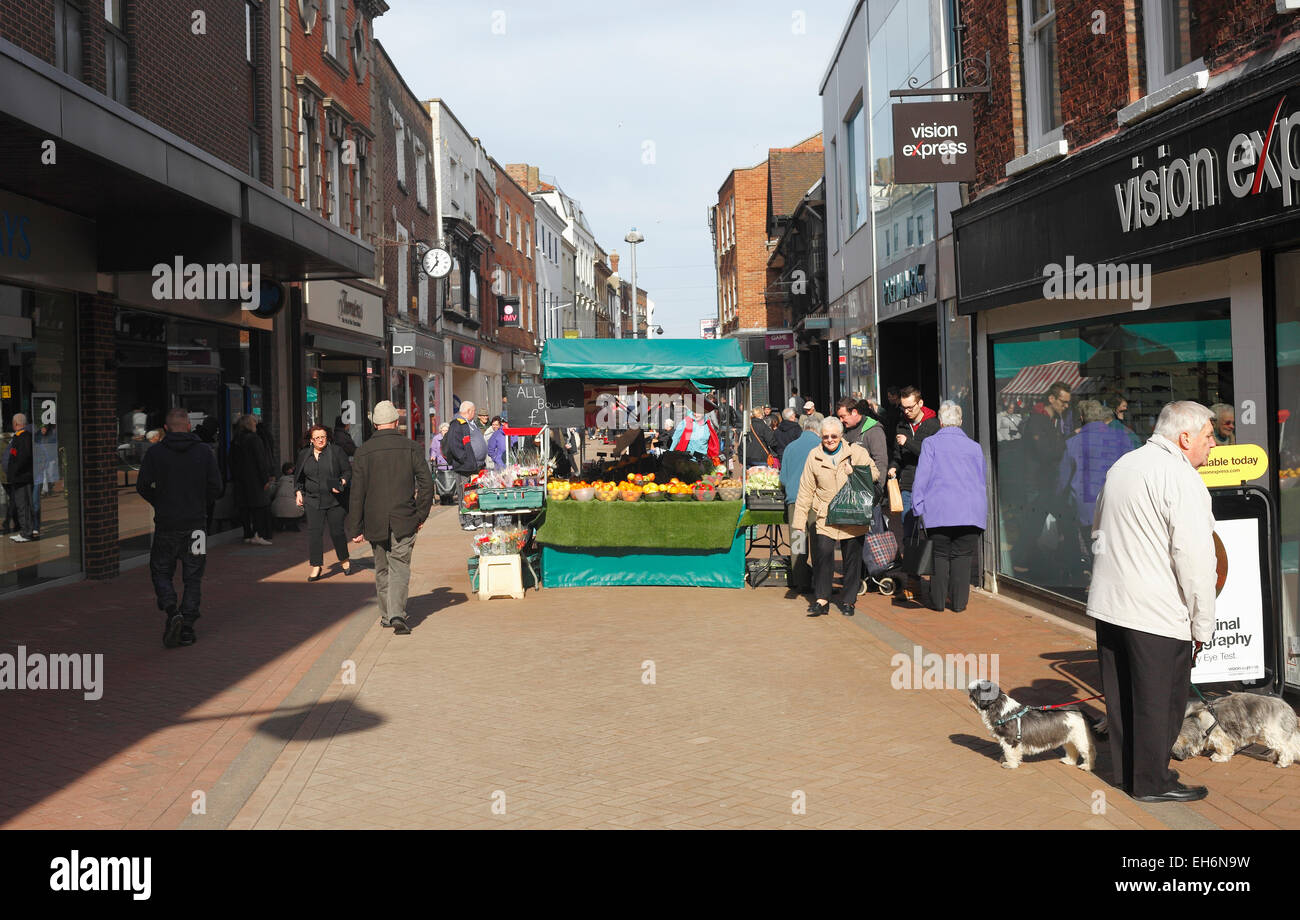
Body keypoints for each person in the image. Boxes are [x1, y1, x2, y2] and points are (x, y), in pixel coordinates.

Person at [1088, 401, 1218, 803]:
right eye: (1209, 436)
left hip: (1111, 604)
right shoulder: (1180, 477)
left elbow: (1097, 529)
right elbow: (1195, 558)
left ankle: (1133, 775)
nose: (1213, 444)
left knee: (1124, 696)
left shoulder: (1124, 465)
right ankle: (1152, 782)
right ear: (1185, 438)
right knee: (1159, 701)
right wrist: (1203, 624)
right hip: (1155, 611)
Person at [345, 400, 434, 635]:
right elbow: (427, 484)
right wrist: (421, 514)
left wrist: (355, 528)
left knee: (382, 566)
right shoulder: (411, 447)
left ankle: (387, 614)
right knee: (400, 566)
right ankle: (396, 614)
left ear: (375, 424)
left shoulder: (363, 451)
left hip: (374, 520)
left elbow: (357, 493)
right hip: (405, 517)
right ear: (396, 422)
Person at [136, 407, 222, 648]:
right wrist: (199, 503)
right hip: (196, 525)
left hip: (167, 524)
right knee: (194, 576)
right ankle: (187, 626)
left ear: (165, 428)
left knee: (161, 570)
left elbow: (142, 486)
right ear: (187, 426)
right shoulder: (204, 452)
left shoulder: (155, 453)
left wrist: (161, 501)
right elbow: (216, 487)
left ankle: (172, 609)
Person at [791, 416, 880, 617]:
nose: (830, 440)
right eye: (825, 437)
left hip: (853, 513)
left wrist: (855, 471)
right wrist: (799, 522)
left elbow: (875, 474)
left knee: (852, 559)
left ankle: (849, 600)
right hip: (825, 514)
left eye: (833, 436)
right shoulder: (813, 456)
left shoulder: (856, 452)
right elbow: (805, 490)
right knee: (822, 555)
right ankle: (822, 599)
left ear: (841, 436)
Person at [911, 401, 987, 613]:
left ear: (941, 423)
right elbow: (981, 481)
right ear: (961, 422)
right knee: (962, 557)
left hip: (938, 512)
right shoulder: (975, 447)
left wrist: (918, 508)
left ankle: (937, 603)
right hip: (970, 513)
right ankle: (959, 604)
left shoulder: (930, 444)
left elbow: (922, 478)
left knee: (940, 556)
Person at [1057, 399, 1136, 573]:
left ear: (1082, 417)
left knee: (1095, 554)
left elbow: (1062, 481)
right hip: (1120, 505)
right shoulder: (1122, 438)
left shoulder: (1073, 443)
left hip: (1087, 509)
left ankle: (1097, 581)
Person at [295, 424, 352, 581]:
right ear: (311, 440)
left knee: (337, 532)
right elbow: (299, 477)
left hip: (335, 500)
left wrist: (342, 481)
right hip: (313, 500)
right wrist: (298, 492)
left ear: (327, 438)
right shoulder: (304, 454)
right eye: (317, 438)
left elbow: (347, 471)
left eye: (323, 437)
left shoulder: (336, 451)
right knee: (314, 533)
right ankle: (316, 566)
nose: (320, 440)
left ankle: (344, 559)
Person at [780, 412, 823, 597]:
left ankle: (801, 581)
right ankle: (821, 582)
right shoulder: (820, 446)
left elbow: (782, 478)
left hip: (794, 501)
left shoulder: (790, 447)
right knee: (818, 541)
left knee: (798, 542)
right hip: (815, 500)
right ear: (818, 431)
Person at [230, 413, 274, 545]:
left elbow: (231, 461)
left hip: (240, 480)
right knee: (259, 507)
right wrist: (265, 478)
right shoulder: (254, 439)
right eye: (254, 423)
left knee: (244, 508)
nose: (256, 425)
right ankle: (258, 534)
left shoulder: (236, 440)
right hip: (255, 479)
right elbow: (260, 460)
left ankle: (247, 534)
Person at [836, 397, 889, 487]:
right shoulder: (843, 431)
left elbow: (881, 461)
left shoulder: (874, 430)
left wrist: (878, 488)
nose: (841, 420)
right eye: (839, 417)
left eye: (843, 416)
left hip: (868, 486)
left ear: (854, 412)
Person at [442, 400, 487, 501]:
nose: (474, 413)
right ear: (469, 411)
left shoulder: (470, 423)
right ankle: (466, 517)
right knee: (466, 498)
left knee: (474, 497)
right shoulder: (457, 424)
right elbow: (454, 446)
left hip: (475, 466)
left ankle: (473, 517)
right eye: (474, 411)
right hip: (465, 468)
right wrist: (466, 460)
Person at [5, 414, 34, 542]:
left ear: (16, 423)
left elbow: (23, 457)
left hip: (22, 477)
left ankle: (26, 533)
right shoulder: (19, 437)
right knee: (21, 505)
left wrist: (14, 471)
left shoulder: (24, 437)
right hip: (19, 477)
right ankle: (24, 531)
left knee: (24, 505)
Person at [271, 461, 304, 532]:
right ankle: (293, 524)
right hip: (295, 511)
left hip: (277, 511)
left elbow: (273, 493)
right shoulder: (297, 481)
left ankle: (281, 525)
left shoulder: (280, 480)